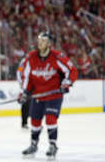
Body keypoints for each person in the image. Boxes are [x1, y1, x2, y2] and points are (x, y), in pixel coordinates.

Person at [18, 31, 78, 160]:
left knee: (50, 118)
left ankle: (52, 145)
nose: (40, 42)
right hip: (38, 95)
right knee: (35, 121)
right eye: (39, 40)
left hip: (53, 95)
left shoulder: (57, 57)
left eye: (44, 40)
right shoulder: (31, 57)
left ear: (49, 43)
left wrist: (66, 83)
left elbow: (71, 70)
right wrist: (24, 93)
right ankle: (33, 144)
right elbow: (26, 77)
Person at [16, 55, 30, 129]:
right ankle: (24, 122)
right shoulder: (24, 61)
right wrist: (21, 83)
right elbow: (19, 72)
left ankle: (37, 122)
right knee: (25, 104)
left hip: (34, 86)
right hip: (25, 86)